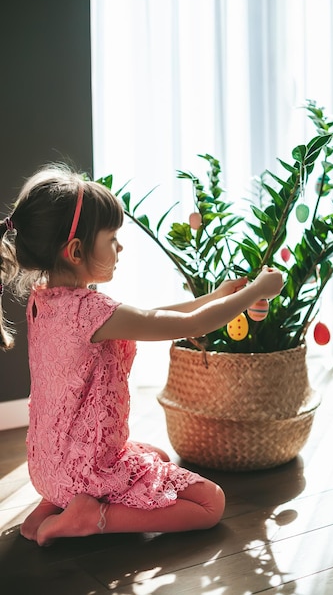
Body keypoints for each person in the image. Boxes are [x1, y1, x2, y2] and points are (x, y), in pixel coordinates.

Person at [0, 164, 283, 547]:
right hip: (84, 472)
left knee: (156, 454)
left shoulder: (45, 301)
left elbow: (154, 318)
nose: (120, 247)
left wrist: (218, 297)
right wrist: (254, 293)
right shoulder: (91, 311)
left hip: (47, 467)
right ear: (76, 251)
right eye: (113, 238)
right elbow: (188, 326)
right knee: (210, 504)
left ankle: (52, 506)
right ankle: (91, 516)